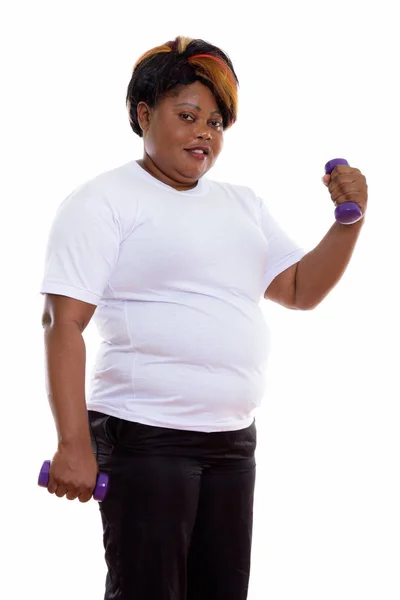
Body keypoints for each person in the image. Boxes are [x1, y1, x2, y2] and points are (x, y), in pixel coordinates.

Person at [40, 35, 368, 600]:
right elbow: (62, 323)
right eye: (188, 116)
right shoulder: (103, 201)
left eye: (216, 122)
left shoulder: (242, 203)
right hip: (146, 439)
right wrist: (73, 443)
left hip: (232, 442)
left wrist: (348, 223)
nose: (204, 134)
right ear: (144, 115)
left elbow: (298, 289)